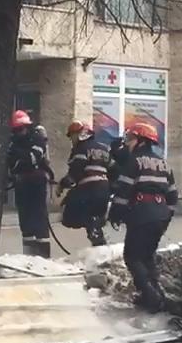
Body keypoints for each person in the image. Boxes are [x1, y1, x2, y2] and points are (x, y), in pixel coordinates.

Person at [109, 123, 178, 313]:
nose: (127, 143)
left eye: (130, 139)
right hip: (160, 215)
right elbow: (173, 194)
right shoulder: (163, 163)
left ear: (140, 141)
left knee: (132, 256)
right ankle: (155, 292)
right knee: (147, 256)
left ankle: (150, 295)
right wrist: (166, 217)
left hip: (141, 213)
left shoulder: (134, 161)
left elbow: (124, 191)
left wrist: (115, 214)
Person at [57, 121, 112, 247]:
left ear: (80, 134)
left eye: (72, 136)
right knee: (95, 218)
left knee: (71, 210)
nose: (72, 140)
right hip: (104, 188)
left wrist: (61, 185)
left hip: (89, 189)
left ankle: (98, 242)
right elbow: (114, 169)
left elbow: (75, 172)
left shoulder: (80, 149)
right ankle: (99, 240)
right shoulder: (104, 149)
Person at [7, 109, 51, 258]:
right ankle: (29, 256)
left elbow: (32, 159)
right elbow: (11, 164)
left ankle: (43, 257)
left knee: (39, 217)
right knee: (25, 220)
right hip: (22, 184)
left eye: (20, 129)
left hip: (37, 183)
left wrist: (18, 157)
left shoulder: (37, 139)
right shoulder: (12, 143)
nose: (18, 133)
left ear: (27, 127)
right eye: (16, 130)